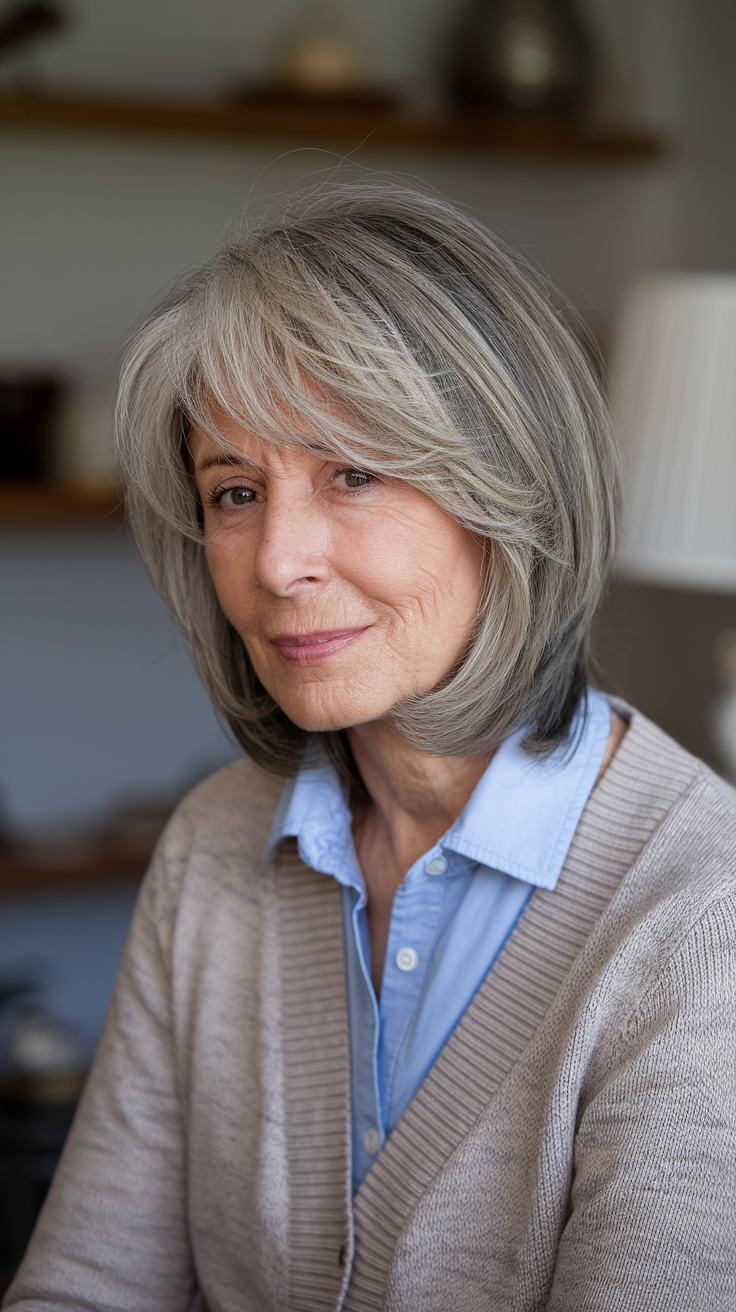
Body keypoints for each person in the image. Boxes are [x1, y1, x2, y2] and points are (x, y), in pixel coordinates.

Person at [5, 185, 735, 1312]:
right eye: (235, 492)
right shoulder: (211, 845)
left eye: (352, 471)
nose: (276, 560)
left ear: (512, 490)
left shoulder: (702, 923)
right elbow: (88, 1287)